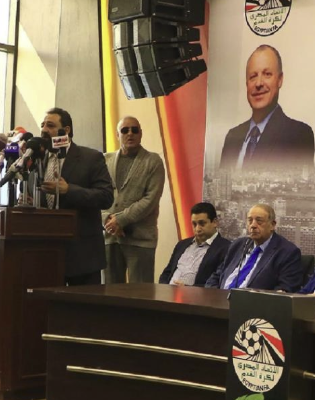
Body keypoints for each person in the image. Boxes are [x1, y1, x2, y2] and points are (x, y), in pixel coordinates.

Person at [38, 107, 114, 286]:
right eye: (42, 125)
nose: (44, 130)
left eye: (50, 125)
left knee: (82, 305)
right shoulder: (39, 159)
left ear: (66, 130)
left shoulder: (91, 158)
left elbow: (106, 197)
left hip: (82, 256)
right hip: (47, 254)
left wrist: (69, 190)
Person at [218, 45, 315, 173]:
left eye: (267, 74)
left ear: (280, 80)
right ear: (247, 84)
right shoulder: (232, 137)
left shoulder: (298, 136)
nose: (258, 83)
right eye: (253, 76)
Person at [102, 117, 165, 284]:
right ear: (117, 134)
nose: (130, 134)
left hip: (140, 239)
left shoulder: (153, 161)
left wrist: (120, 220)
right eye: (125, 130)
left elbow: (150, 200)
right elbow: (97, 195)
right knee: (110, 293)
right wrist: (107, 220)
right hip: (110, 237)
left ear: (141, 133)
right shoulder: (104, 160)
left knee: (140, 294)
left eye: (134, 130)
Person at [205, 203, 303, 291]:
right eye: (250, 220)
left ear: (272, 225)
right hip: (220, 300)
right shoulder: (238, 245)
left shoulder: (287, 252)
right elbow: (216, 277)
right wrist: (215, 296)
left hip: (253, 304)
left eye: (259, 221)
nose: (253, 225)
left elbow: (285, 290)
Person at [159, 202, 232, 287]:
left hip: (195, 294)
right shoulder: (182, 244)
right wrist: (164, 288)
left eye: (202, 224)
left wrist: (189, 289)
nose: (197, 229)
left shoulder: (226, 248)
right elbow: (166, 273)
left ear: (215, 222)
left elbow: (219, 283)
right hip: (168, 292)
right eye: (194, 224)